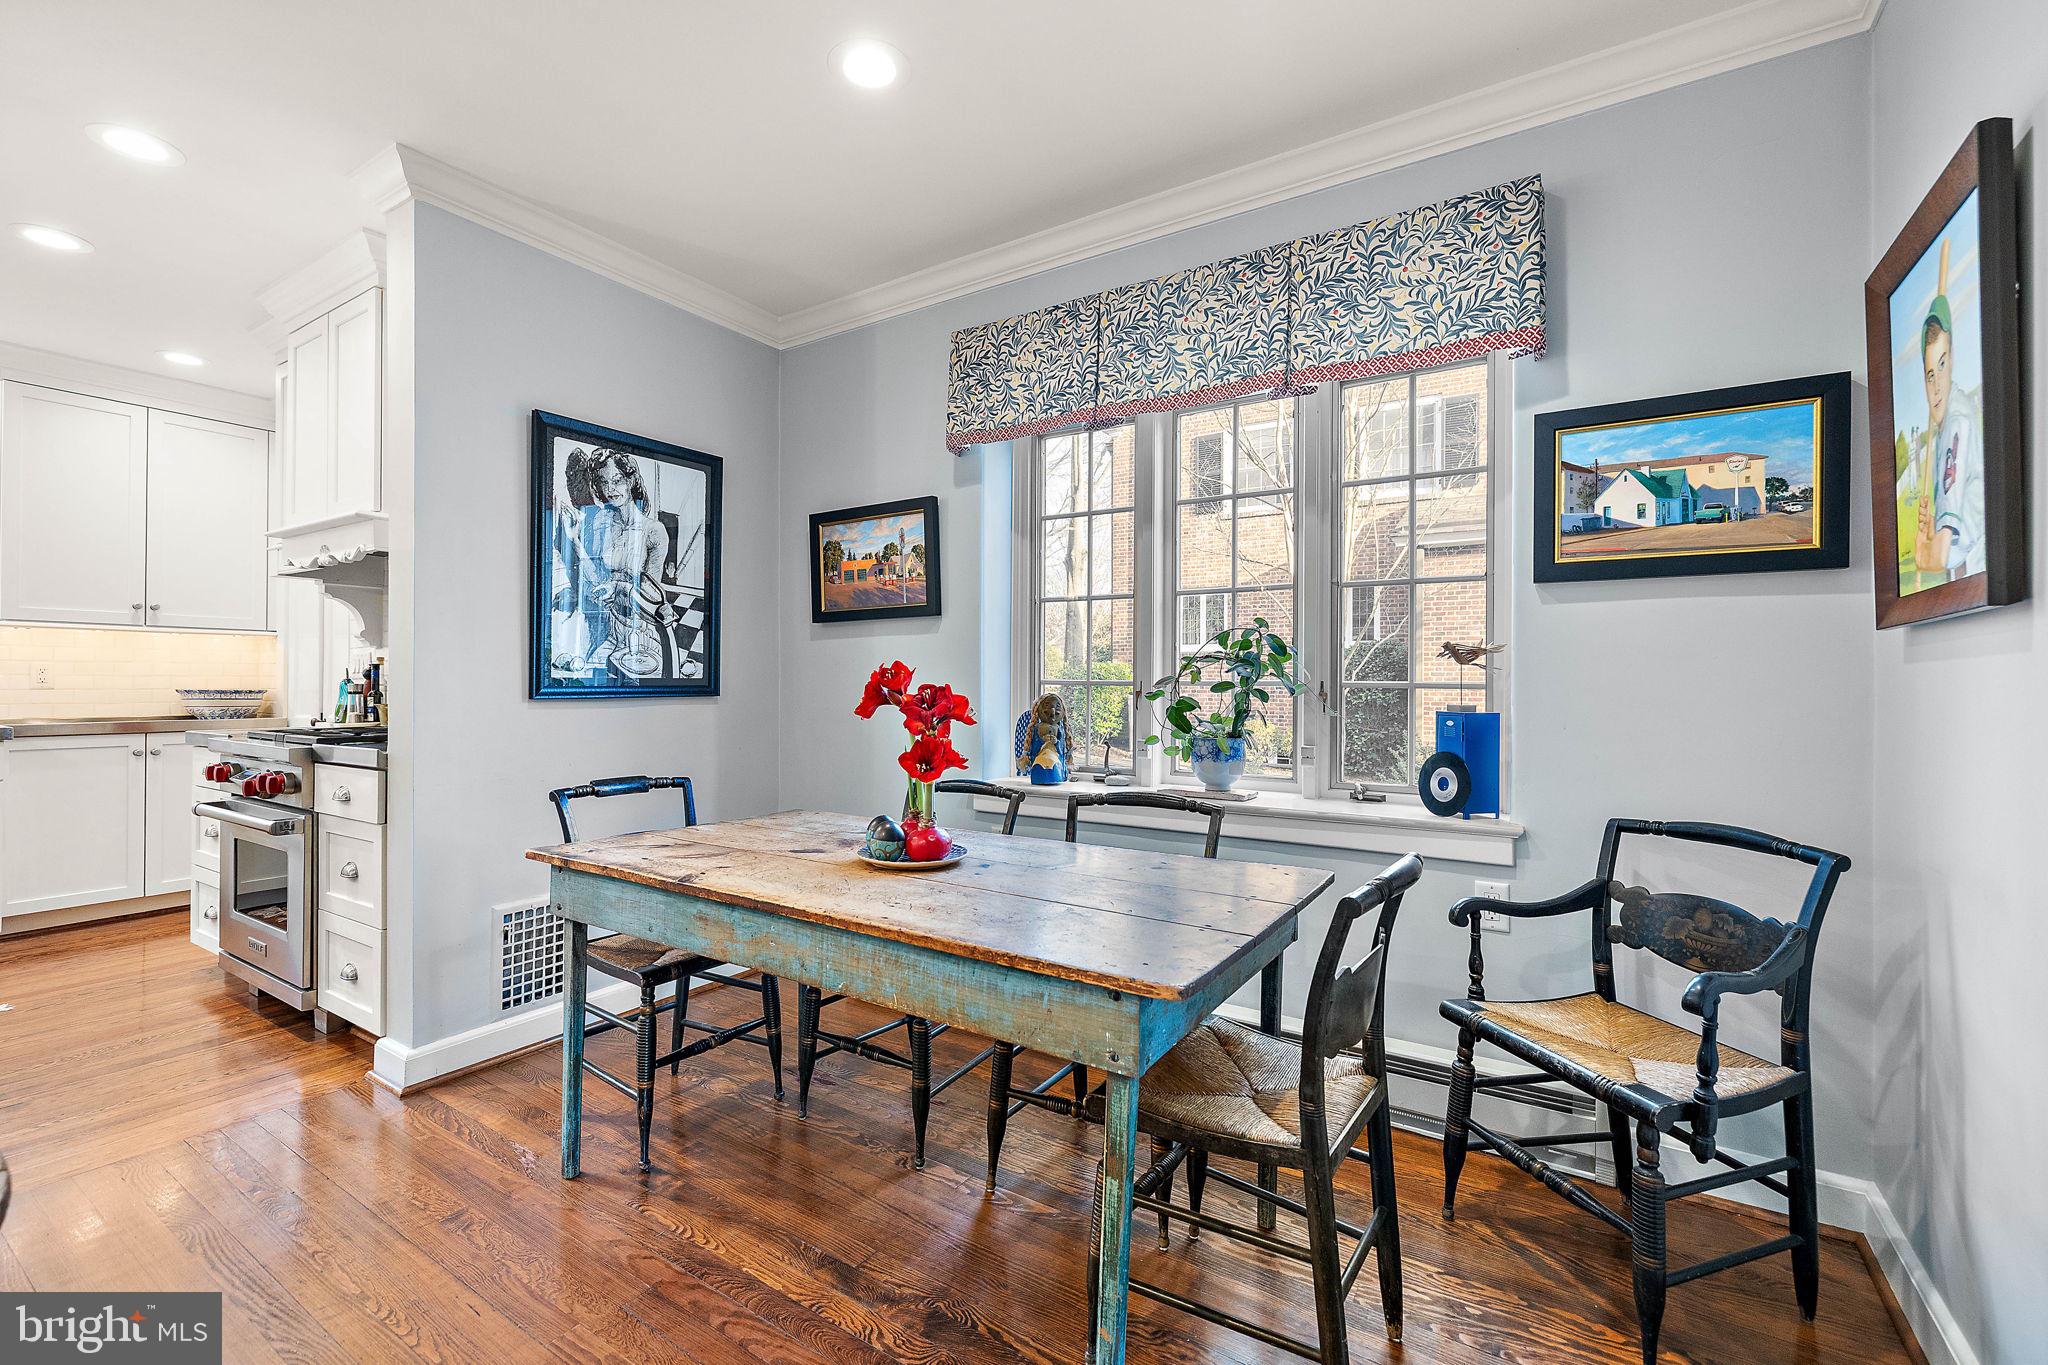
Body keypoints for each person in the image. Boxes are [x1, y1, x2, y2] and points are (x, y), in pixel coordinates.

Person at [1913, 294, 1985, 582]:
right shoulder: (1947, 424)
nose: (1936, 387)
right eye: (1930, 375)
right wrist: (1933, 526)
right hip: (1967, 579)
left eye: (1942, 365)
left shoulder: (1957, 422)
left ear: (1952, 358)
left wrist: (1925, 552)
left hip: (1976, 572)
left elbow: (1942, 556)